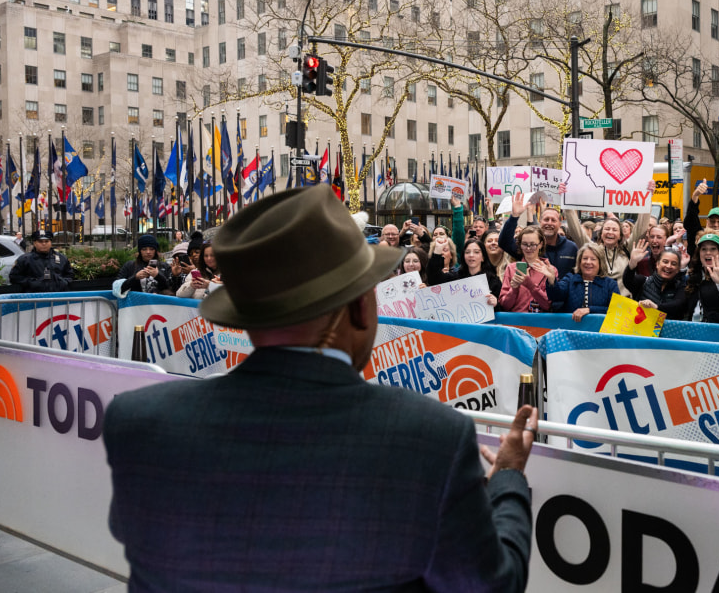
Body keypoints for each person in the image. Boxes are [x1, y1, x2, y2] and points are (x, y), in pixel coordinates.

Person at [104, 185, 537, 591]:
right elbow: (490, 584)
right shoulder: (432, 440)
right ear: (360, 308)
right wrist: (509, 481)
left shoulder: (139, 424)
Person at [498, 192, 579, 279]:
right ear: (540, 222)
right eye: (546, 219)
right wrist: (514, 217)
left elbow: (577, 273)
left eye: (553, 220)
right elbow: (504, 243)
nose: (549, 223)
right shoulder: (529, 246)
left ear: (559, 224)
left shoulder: (571, 248)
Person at [542, 243, 620, 322]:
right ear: (579, 261)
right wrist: (552, 280)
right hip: (572, 330)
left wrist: (590, 310)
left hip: (600, 331)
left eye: (593, 259)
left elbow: (617, 310)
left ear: (600, 263)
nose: (588, 262)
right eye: (585, 258)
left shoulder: (610, 284)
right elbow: (556, 296)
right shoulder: (570, 279)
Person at [623, 239, 689, 320]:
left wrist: (656, 307)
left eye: (673, 264)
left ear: (678, 269)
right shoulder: (643, 281)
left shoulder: (680, 286)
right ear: (657, 264)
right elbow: (627, 281)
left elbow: (678, 304)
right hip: (641, 330)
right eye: (665, 262)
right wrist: (632, 263)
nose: (668, 266)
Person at [427, 237, 502, 306]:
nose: (471, 255)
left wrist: (496, 304)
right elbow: (433, 279)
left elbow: (504, 307)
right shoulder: (456, 277)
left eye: (476, 252)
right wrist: (437, 250)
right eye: (467, 252)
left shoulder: (493, 281)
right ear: (464, 256)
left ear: (483, 257)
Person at [498, 226, 552, 312]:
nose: (528, 248)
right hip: (516, 322)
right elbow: (505, 305)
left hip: (539, 322)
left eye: (533, 244)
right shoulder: (511, 268)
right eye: (524, 244)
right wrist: (514, 289)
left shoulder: (549, 270)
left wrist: (530, 285)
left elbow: (548, 305)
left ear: (541, 244)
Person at [9, 230, 75, 292]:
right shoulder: (25, 259)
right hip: (34, 297)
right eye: (40, 241)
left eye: (46, 241)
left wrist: (62, 282)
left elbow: (70, 275)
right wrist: (32, 283)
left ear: (51, 242)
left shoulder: (61, 258)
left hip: (57, 296)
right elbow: (14, 277)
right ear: (34, 243)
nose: (44, 244)